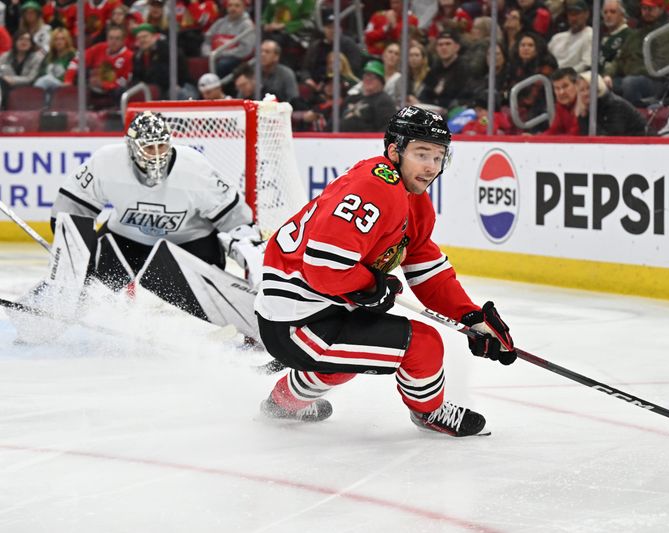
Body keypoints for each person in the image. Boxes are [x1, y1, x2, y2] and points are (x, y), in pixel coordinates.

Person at [253, 105, 516, 435]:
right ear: (395, 150)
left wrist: (471, 316)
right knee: (423, 343)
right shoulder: (375, 188)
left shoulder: (411, 199)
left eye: (438, 157)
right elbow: (323, 266)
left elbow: (428, 271)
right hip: (298, 323)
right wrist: (371, 286)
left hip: (317, 311)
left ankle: (281, 404)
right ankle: (430, 413)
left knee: (342, 364)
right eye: (422, 153)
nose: (431, 166)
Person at [50, 111, 255, 276]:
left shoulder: (194, 168)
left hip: (189, 244)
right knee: (95, 284)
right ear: (131, 146)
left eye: (162, 146)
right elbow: (72, 207)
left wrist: (250, 255)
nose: (157, 154)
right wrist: (73, 251)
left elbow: (233, 217)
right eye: (149, 147)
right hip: (124, 241)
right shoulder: (106, 162)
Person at [575, 71, 645, 136]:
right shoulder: (585, 109)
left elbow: (612, 137)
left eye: (589, 88)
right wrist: (584, 116)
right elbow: (585, 137)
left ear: (598, 87)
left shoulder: (615, 105)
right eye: (582, 90)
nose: (586, 93)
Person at [339, 60, 398, 132]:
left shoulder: (384, 100)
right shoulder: (351, 98)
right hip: (340, 140)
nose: (368, 79)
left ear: (381, 82)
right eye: (366, 76)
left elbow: (387, 127)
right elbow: (335, 120)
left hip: (366, 141)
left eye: (372, 77)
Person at [203, 0, 255, 79]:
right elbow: (207, 41)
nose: (233, 8)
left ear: (244, 8)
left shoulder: (247, 25)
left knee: (222, 65)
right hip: (214, 56)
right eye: (230, 5)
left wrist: (219, 54)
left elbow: (245, 50)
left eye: (237, 6)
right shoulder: (219, 22)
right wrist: (207, 52)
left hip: (236, 59)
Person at [547, 0, 592, 72]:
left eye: (577, 14)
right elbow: (545, 58)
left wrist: (562, 75)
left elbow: (586, 65)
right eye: (571, 14)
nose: (573, 18)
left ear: (586, 14)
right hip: (550, 77)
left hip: (573, 78)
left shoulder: (590, 35)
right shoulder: (557, 38)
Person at [542, 67, 579, 135]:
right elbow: (553, 131)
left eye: (565, 86)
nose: (561, 92)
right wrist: (532, 139)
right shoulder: (560, 106)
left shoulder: (584, 104)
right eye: (557, 88)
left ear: (577, 85)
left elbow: (575, 135)